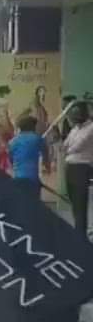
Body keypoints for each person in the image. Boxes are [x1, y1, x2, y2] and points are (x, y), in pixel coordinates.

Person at [63, 101, 93, 239]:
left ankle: (81, 236)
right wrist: (68, 148)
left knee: (80, 202)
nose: (75, 117)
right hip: (70, 167)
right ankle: (78, 231)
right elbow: (65, 145)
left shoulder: (91, 128)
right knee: (74, 202)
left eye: (77, 113)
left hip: (82, 168)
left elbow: (77, 146)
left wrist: (68, 149)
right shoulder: (75, 129)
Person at [9, 115, 45, 201]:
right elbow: (45, 154)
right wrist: (47, 167)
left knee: (21, 201)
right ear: (33, 127)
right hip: (33, 178)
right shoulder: (37, 138)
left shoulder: (13, 141)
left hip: (18, 177)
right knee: (34, 202)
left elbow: (11, 159)